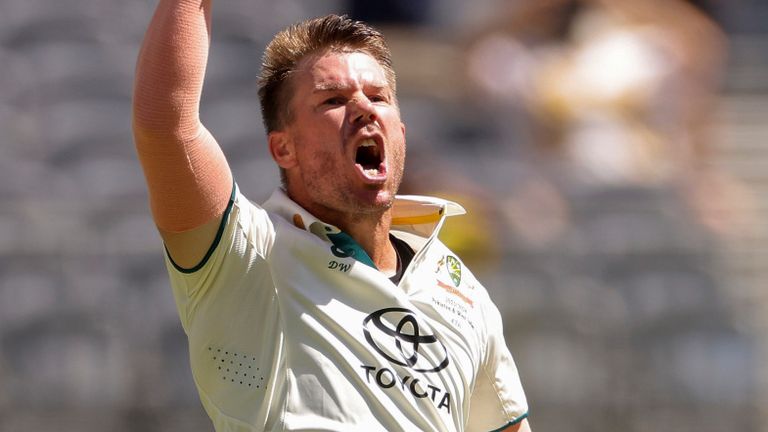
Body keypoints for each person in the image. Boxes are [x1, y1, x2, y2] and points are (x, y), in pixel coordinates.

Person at [132, 1, 530, 430]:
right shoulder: (248, 254)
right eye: (333, 100)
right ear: (283, 148)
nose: (365, 108)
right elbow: (165, 125)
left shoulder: (460, 289)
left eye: (379, 97)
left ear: (401, 133)